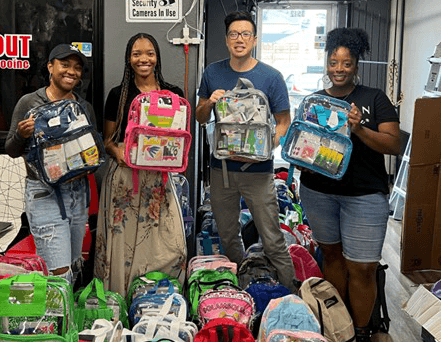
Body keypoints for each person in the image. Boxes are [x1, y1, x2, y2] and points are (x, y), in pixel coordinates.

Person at [298, 28, 400, 342]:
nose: (339, 69)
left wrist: (358, 129)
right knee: (331, 256)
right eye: (333, 62)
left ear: (356, 65)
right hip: (318, 191)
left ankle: (362, 330)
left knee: (363, 268)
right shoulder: (313, 101)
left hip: (365, 195)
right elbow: (304, 145)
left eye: (346, 63)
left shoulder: (374, 98)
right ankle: (338, 326)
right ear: (326, 64)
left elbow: (393, 145)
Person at [196, 11, 296, 293]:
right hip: (222, 171)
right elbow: (200, 117)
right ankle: (240, 292)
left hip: (259, 172)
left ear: (254, 39)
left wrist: (266, 148)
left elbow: (283, 121)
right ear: (226, 39)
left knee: (273, 239)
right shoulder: (213, 73)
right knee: (228, 237)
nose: (239, 39)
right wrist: (210, 102)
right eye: (233, 34)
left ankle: (289, 295)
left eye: (245, 34)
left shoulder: (271, 77)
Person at [94, 33, 187, 296]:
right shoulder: (118, 95)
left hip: (159, 181)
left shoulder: (173, 95)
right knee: (122, 244)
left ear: (157, 57)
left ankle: (159, 299)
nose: (143, 59)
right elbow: (108, 141)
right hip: (124, 180)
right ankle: (121, 300)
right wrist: (118, 151)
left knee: (168, 244)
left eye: (149, 53)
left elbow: (178, 138)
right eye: (136, 54)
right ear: (128, 59)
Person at [5, 44, 95, 285]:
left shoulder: (83, 107)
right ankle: (56, 322)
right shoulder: (29, 103)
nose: (71, 72)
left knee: (74, 266)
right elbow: (11, 150)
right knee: (59, 273)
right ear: (50, 67)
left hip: (78, 195)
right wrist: (21, 135)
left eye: (77, 68)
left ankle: (66, 318)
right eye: (65, 65)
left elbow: (95, 153)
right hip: (44, 194)